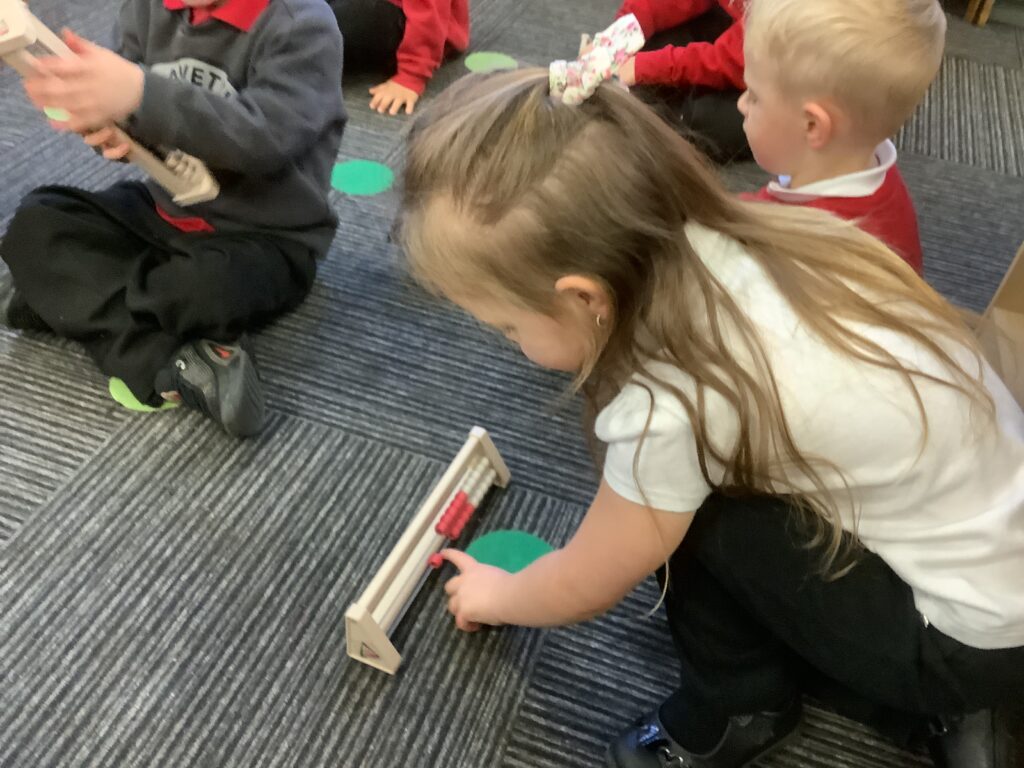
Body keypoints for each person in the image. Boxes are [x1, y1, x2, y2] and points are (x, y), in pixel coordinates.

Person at [397, 68, 1024, 768]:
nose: (509, 342)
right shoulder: (752, 232)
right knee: (698, 486)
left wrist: (502, 594)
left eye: (509, 326)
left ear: (586, 297)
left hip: (968, 643)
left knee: (684, 518)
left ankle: (739, 709)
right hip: (997, 550)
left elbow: (589, 579)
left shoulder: (673, 402)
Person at [1, 0, 346, 437]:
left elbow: (264, 140)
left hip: (267, 235)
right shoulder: (147, 8)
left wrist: (140, 94)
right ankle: (180, 360)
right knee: (37, 222)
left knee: (199, 290)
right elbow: (136, 119)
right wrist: (111, 123)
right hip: (165, 211)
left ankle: (69, 302)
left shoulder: (302, 25)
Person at [738, 0, 945, 275]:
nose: (741, 104)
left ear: (812, 125)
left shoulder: (791, 244)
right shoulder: (881, 181)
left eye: (753, 96)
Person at [610, 0, 747, 163]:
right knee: (648, 43)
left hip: (761, 64)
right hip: (739, 27)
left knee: (703, 120)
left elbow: (733, 61)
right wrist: (620, 33)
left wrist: (647, 67)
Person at [328, 0, 468, 115]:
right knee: (321, 17)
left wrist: (412, 74)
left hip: (415, 28)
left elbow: (429, 17)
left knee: (331, 25)